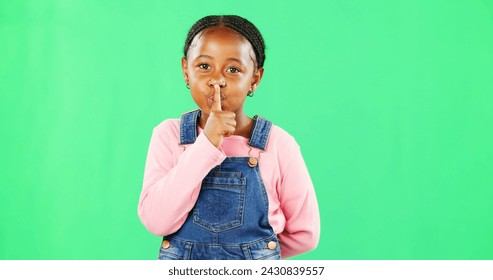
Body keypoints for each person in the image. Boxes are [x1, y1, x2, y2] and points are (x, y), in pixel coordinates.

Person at [138, 15, 320, 260]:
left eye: (233, 69)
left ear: (254, 79)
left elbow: (305, 234)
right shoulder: (169, 136)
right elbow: (156, 221)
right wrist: (207, 143)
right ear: (186, 71)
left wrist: (253, 257)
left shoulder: (278, 144)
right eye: (204, 66)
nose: (217, 80)